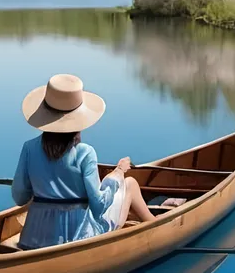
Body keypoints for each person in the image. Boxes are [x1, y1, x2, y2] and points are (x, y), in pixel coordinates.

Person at [11, 73, 155, 251]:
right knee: (130, 184)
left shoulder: (29, 148)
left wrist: (43, 185)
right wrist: (117, 173)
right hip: (78, 236)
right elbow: (98, 206)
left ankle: (154, 225)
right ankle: (158, 228)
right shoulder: (85, 153)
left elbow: (19, 197)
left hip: (33, 237)